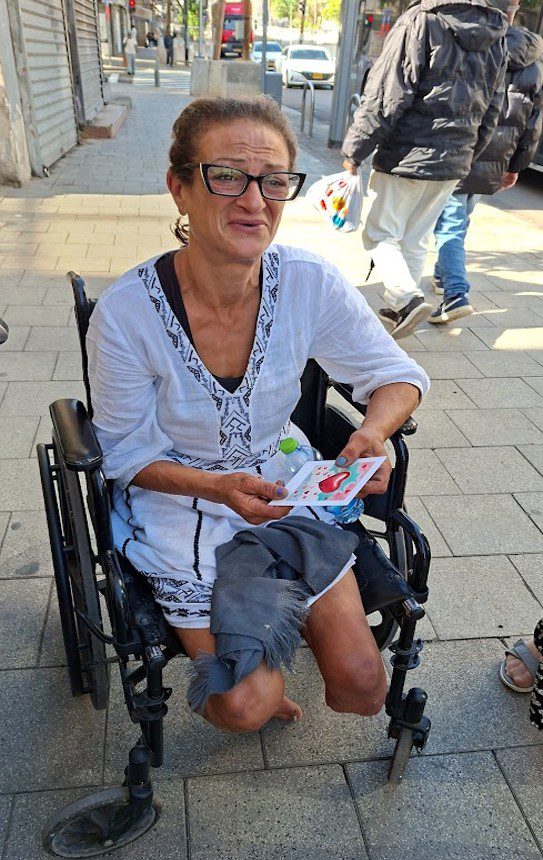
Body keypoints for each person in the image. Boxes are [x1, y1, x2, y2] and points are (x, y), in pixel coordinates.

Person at [87, 96, 429, 733]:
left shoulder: (307, 282)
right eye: (226, 176)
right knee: (244, 707)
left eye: (274, 181)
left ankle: (274, 637)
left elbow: (397, 375)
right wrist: (216, 487)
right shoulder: (126, 314)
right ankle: (261, 672)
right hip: (177, 497)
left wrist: (373, 431)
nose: (254, 201)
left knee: (363, 689)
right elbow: (126, 454)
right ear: (179, 188)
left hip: (282, 480)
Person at [342, 0, 508, 339]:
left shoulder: (421, 21)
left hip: (408, 155)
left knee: (380, 234)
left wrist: (355, 150)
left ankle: (405, 299)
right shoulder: (496, 31)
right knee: (415, 239)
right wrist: (467, 154)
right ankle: (396, 313)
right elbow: (493, 106)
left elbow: (387, 92)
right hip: (454, 160)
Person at [429, 7, 543, 324]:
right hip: (496, 157)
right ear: (514, 13)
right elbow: (533, 122)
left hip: (462, 149)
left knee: (450, 224)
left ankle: (456, 293)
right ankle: (441, 276)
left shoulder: (475, 44)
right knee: (459, 219)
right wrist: (515, 165)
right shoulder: (534, 61)